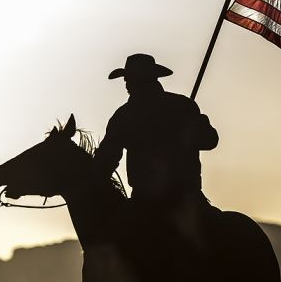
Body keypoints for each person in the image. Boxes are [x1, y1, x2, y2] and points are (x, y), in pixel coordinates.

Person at [92, 53, 218, 243]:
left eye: (129, 79)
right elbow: (210, 139)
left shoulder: (124, 116)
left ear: (141, 80)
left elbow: (105, 161)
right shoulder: (182, 105)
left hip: (149, 202)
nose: (126, 84)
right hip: (187, 199)